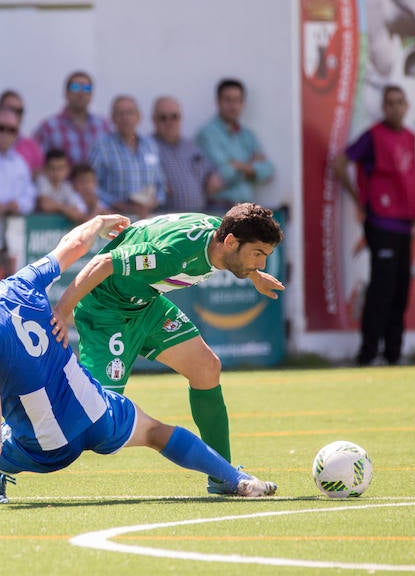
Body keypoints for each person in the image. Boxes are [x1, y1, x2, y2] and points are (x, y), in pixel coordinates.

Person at [0, 214, 277, 505]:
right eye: (257, 255)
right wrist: (97, 225)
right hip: (96, 392)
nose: (260, 261)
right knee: (154, 431)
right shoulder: (23, 283)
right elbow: (78, 248)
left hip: (45, 443)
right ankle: (235, 479)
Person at [50, 203, 284, 496]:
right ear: (231, 242)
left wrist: (254, 276)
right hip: (106, 313)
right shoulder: (176, 254)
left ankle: (223, 475)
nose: (261, 264)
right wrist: (61, 311)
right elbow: (104, 263)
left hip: (146, 305)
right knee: (93, 416)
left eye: (264, 257)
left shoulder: (224, 234)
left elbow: (150, 235)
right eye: (258, 255)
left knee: (206, 367)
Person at [333, 84, 415, 366]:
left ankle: (393, 354)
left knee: (400, 291)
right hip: (381, 223)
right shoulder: (373, 137)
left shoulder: (410, 137)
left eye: (400, 102)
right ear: (383, 108)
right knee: (381, 290)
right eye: (390, 103)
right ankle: (367, 354)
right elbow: (340, 162)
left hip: (405, 225)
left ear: (407, 105)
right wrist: (359, 199)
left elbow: (409, 179)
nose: (395, 107)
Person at [195, 79, 275, 208]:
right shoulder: (207, 134)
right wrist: (251, 165)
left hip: (248, 209)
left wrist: (237, 165)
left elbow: (268, 170)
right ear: (218, 102)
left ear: (243, 103)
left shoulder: (248, 135)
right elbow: (222, 173)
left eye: (237, 100)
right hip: (219, 209)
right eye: (228, 100)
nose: (233, 106)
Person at [89, 95, 165, 218]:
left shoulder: (150, 145)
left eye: (130, 113)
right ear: (112, 118)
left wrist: (154, 201)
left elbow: (160, 183)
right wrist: (120, 205)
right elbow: (91, 186)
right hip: (115, 218)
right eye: (120, 114)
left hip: (147, 217)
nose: (125, 118)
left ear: (139, 117)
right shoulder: (102, 146)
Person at [152, 96, 224, 212]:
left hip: (198, 217)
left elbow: (211, 170)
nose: (169, 122)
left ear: (181, 118)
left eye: (174, 117)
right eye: (163, 118)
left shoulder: (191, 147)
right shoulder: (148, 147)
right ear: (154, 120)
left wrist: (213, 176)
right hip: (166, 220)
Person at [33, 71, 112, 165]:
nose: (81, 93)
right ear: (66, 93)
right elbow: (37, 165)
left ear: (91, 95)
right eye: (75, 88)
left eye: (86, 88)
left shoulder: (104, 126)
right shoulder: (48, 128)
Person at [0, 89, 44, 177]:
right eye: (10, 109)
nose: (15, 114)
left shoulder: (31, 147)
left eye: (19, 111)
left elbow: (38, 178)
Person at [34, 148, 87, 223]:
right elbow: (45, 205)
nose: (56, 172)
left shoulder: (66, 187)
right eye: (53, 168)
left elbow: (78, 213)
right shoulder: (42, 180)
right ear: (45, 169)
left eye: (60, 168)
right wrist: (65, 209)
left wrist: (57, 207)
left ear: (67, 169)